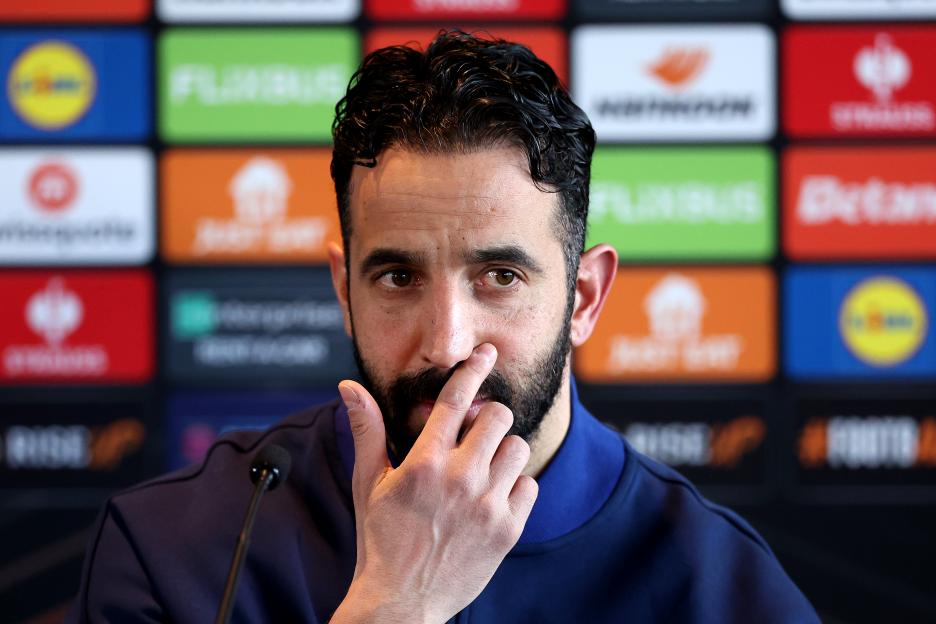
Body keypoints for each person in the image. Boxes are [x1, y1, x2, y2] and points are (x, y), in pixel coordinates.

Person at [69, 31, 819, 623]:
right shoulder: (171, 551)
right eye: (398, 278)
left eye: (500, 277)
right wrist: (393, 608)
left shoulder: (725, 588)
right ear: (344, 289)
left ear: (585, 297)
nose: (449, 343)